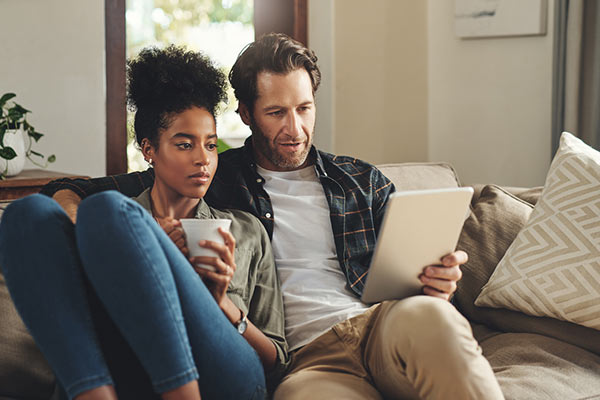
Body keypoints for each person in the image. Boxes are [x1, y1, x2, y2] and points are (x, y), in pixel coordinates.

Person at [41, 34, 504, 399]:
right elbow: (74, 192)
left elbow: (413, 274)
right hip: (308, 362)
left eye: (304, 109)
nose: (295, 128)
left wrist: (436, 284)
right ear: (245, 114)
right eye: (277, 112)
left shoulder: (360, 180)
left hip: (384, 325)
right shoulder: (212, 175)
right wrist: (112, 232)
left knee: (435, 319)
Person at [0, 45, 288, 400]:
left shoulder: (246, 231)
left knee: (108, 209)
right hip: (126, 367)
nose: (203, 159)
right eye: (184, 145)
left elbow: (277, 360)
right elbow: (66, 194)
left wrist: (220, 303)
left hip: (225, 374)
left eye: (211, 146)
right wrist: (145, 244)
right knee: (24, 214)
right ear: (149, 150)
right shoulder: (111, 223)